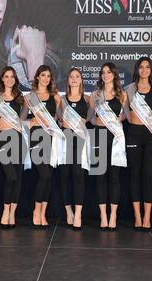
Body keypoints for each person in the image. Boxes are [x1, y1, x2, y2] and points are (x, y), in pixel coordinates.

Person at [89, 62, 128, 231]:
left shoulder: (122, 94)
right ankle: (103, 215)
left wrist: (118, 120)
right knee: (100, 178)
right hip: (98, 136)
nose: (106, 75)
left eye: (109, 72)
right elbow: (89, 117)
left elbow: (126, 114)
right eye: (103, 72)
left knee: (114, 178)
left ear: (114, 75)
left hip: (115, 137)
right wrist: (95, 120)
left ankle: (113, 215)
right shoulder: (95, 94)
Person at [125, 57, 152, 232]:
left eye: (148, 67)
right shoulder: (129, 90)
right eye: (141, 67)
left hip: (151, 136)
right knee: (134, 175)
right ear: (137, 69)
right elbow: (123, 114)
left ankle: (147, 217)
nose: (145, 70)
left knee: (148, 175)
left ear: (151, 70)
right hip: (133, 135)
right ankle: (137, 217)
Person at [0, 66, 29, 228]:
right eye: (6, 76)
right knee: (11, 176)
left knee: (18, 178)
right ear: (2, 79)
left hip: (18, 139)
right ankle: (5, 211)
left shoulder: (22, 99)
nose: (9, 79)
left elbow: (22, 120)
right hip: (4, 139)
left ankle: (12, 213)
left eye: (12, 77)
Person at [25, 65, 62, 228]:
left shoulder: (56, 97)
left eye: (49, 76)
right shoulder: (30, 97)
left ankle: (43, 213)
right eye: (43, 75)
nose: (46, 78)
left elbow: (60, 119)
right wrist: (29, 121)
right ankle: (36, 211)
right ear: (37, 77)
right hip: (37, 138)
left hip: (52, 139)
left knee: (48, 177)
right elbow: (21, 120)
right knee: (44, 175)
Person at [59, 68, 91, 230]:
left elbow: (91, 119)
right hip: (65, 140)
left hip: (80, 140)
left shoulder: (88, 99)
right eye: (71, 76)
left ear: (81, 80)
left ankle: (78, 213)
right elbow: (57, 120)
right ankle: (68, 211)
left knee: (79, 176)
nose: (74, 79)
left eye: (77, 76)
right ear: (68, 80)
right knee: (64, 176)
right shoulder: (61, 100)